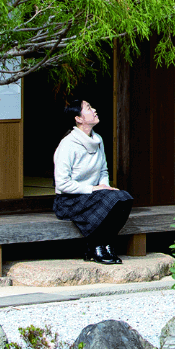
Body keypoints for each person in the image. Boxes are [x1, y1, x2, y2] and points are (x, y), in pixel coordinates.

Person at [53, 100, 133, 265]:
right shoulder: (68, 144)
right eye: (88, 108)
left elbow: (103, 171)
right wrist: (94, 189)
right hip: (68, 200)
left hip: (92, 195)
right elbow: (62, 184)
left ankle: (107, 242)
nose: (94, 110)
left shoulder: (98, 140)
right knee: (111, 200)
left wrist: (105, 187)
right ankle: (95, 244)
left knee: (124, 198)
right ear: (78, 119)